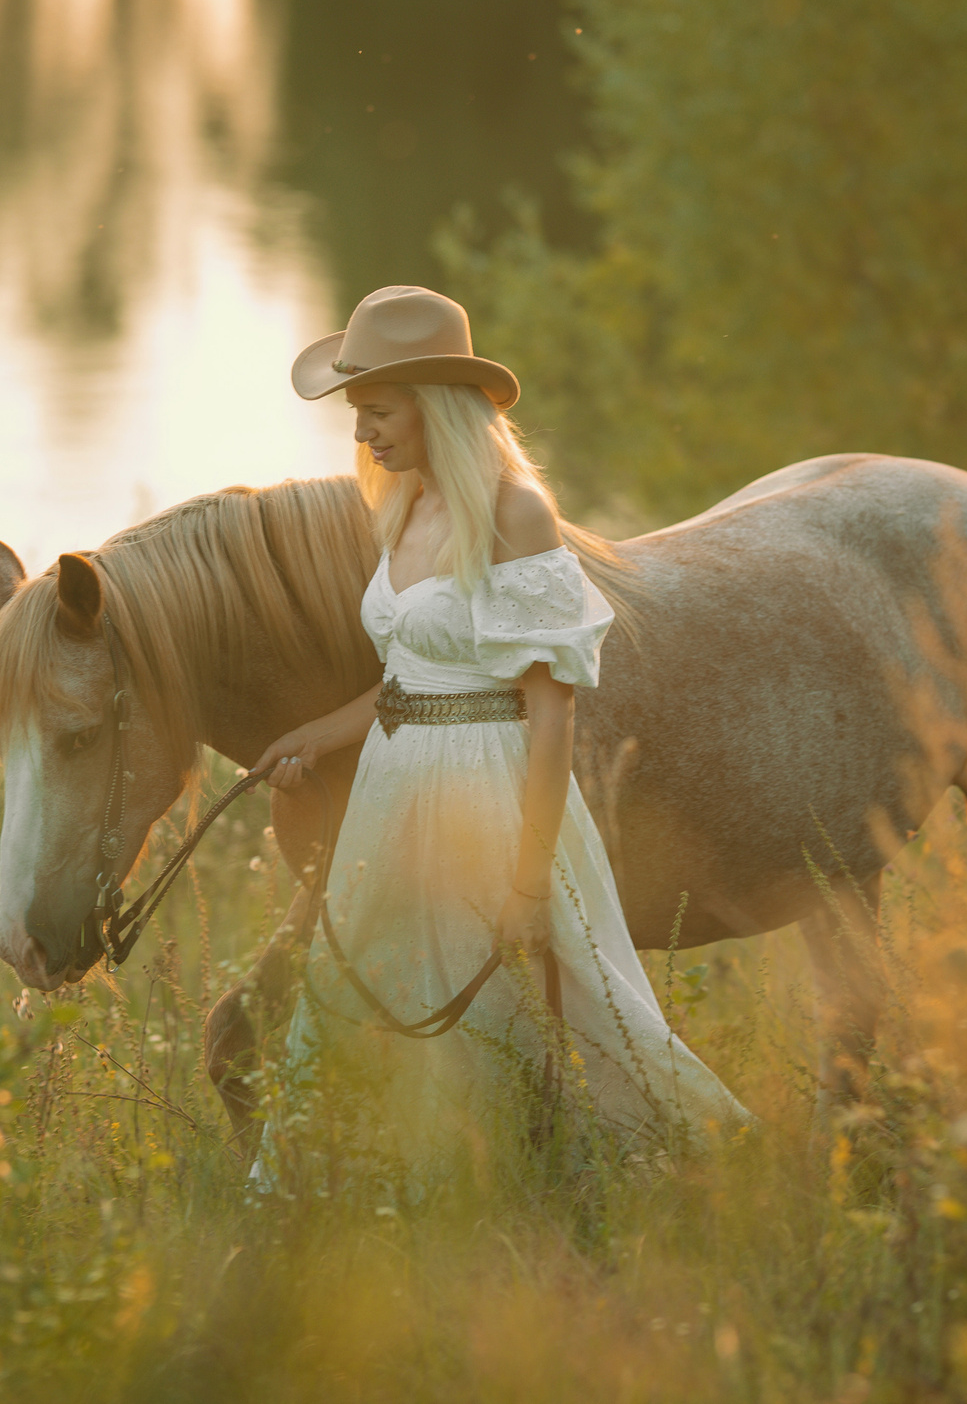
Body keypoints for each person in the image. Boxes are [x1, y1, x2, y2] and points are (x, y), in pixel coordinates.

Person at [248, 285, 750, 1190]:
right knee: (366, 987)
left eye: (377, 411)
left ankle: (670, 1170)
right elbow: (411, 670)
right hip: (394, 790)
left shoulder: (516, 515)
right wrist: (318, 733)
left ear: (435, 403)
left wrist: (527, 876)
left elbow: (551, 709)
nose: (363, 434)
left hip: (486, 789)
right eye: (358, 414)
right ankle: (362, 1183)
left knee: (537, 1007)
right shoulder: (403, 508)